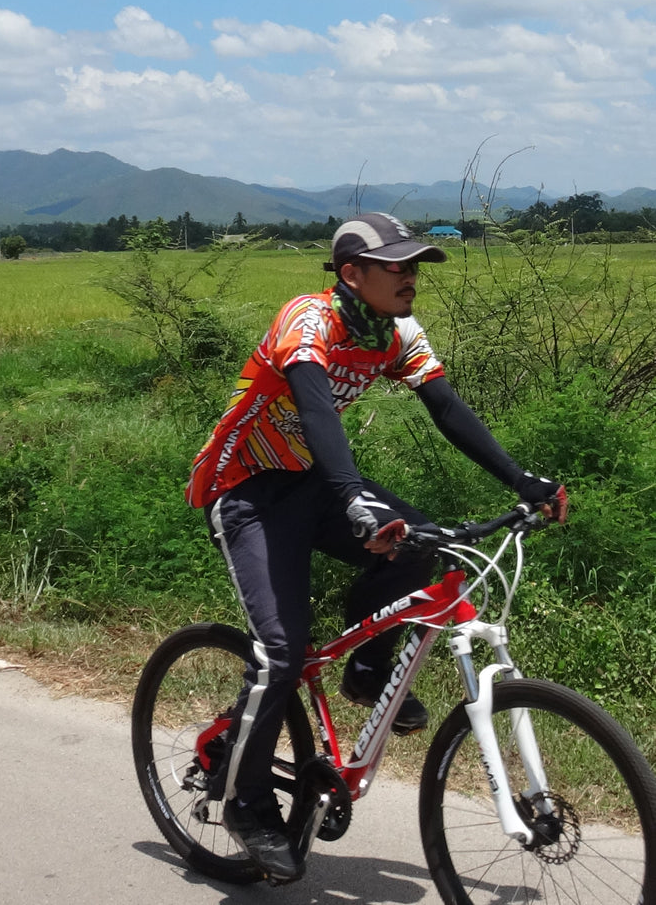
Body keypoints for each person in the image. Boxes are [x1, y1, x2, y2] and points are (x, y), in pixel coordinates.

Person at [184, 212, 568, 882]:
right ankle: (245, 804)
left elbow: (445, 407)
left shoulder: (394, 332)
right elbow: (316, 412)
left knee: (422, 546)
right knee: (280, 653)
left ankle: (365, 671)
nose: (409, 276)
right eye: (395, 266)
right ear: (351, 273)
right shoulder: (308, 320)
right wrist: (355, 500)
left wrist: (519, 478)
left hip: (318, 484)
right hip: (248, 490)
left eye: (413, 265)